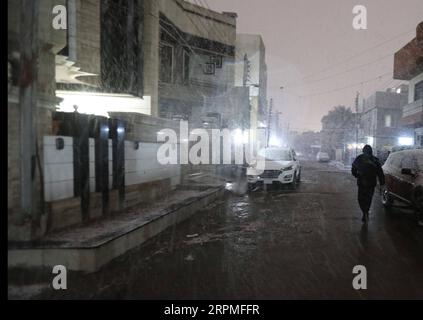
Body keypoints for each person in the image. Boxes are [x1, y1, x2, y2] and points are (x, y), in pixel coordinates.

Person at [351, 145, 385, 223]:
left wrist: (356, 175)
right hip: (370, 183)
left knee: (361, 199)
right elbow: (380, 173)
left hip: (362, 183)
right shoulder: (374, 160)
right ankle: (366, 211)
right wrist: (382, 183)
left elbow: (353, 168)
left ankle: (364, 211)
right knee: (368, 199)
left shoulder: (360, 158)